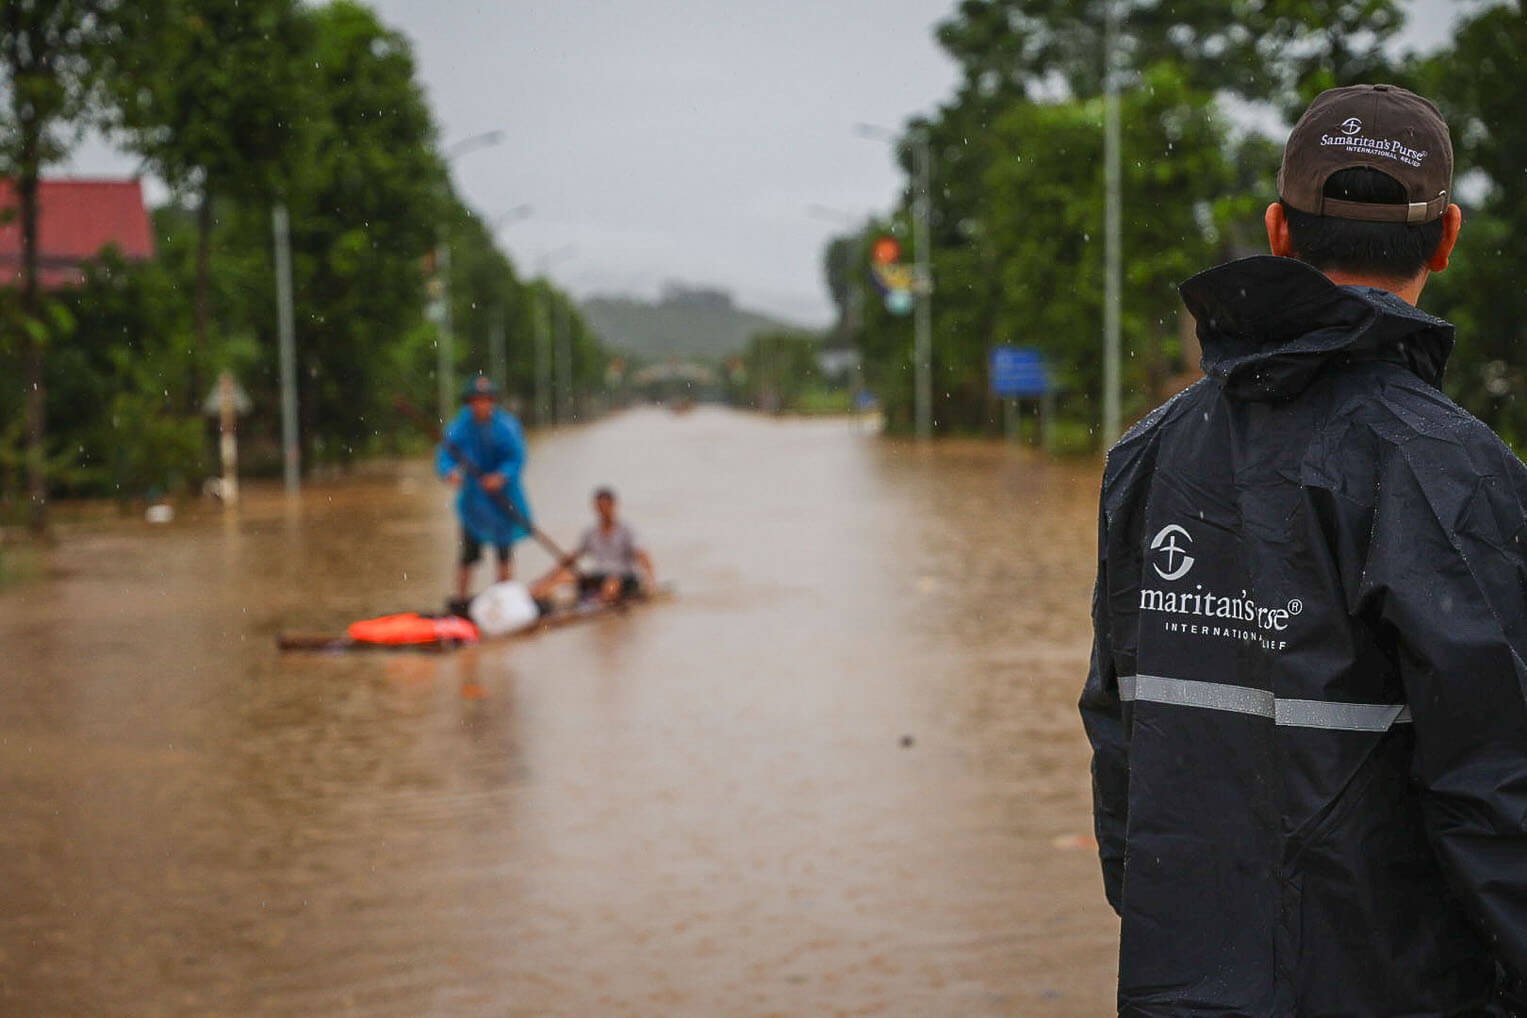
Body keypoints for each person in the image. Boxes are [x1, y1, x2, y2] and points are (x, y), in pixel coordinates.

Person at [1080, 84, 1527, 1018]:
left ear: (1279, 230)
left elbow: (1119, 737)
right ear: (1445, 238)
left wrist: (1184, 932)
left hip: (1180, 985)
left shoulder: (1145, 454)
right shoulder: (1456, 471)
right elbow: (1497, 787)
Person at [436, 374, 533, 604]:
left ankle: (505, 599)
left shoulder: (507, 426)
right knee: (467, 554)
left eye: (486, 399)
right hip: (474, 503)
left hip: (502, 499)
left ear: (492, 401)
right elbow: (445, 457)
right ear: (469, 402)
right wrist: (450, 473)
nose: (481, 405)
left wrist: (500, 476)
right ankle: (461, 600)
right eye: (476, 400)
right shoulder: (458, 427)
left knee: (503, 553)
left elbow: (517, 457)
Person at [531, 486, 654, 605]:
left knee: (610, 586)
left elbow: (642, 556)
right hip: (600, 575)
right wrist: (546, 579)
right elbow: (571, 559)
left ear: (613, 505)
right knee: (563, 578)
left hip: (623, 577)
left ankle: (599, 607)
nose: (603, 511)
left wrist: (650, 581)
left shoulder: (627, 530)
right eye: (599, 507)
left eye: (605, 507)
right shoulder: (590, 532)